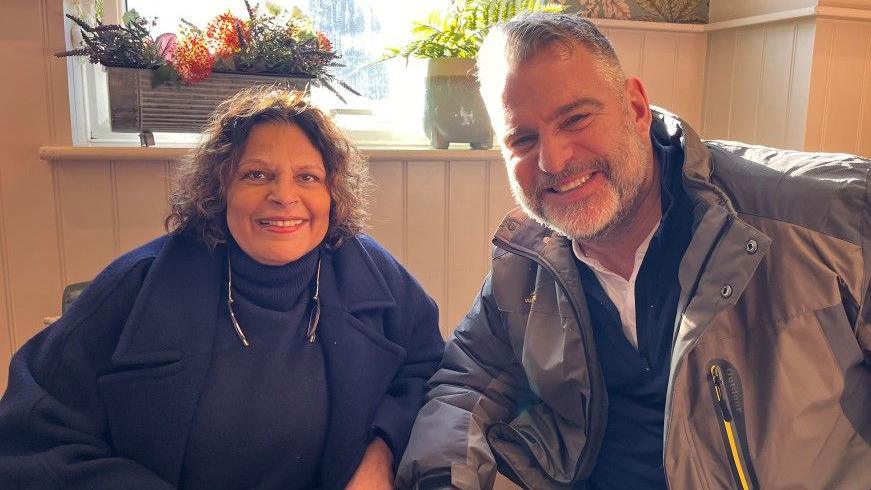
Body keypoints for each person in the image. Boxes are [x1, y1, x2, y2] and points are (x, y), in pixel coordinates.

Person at [396, 12, 871, 490]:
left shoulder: (829, 218)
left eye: (576, 118)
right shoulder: (526, 265)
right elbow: (465, 385)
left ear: (636, 107)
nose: (553, 161)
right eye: (522, 139)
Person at [0, 86, 445, 489]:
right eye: (256, 175)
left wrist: (380, 454)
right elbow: (29, 434)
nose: (284, 196)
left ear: (333, 192)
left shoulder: (372, 272)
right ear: (219, 189)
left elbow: (428, 373)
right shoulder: (135, 285)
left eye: (307, 177)